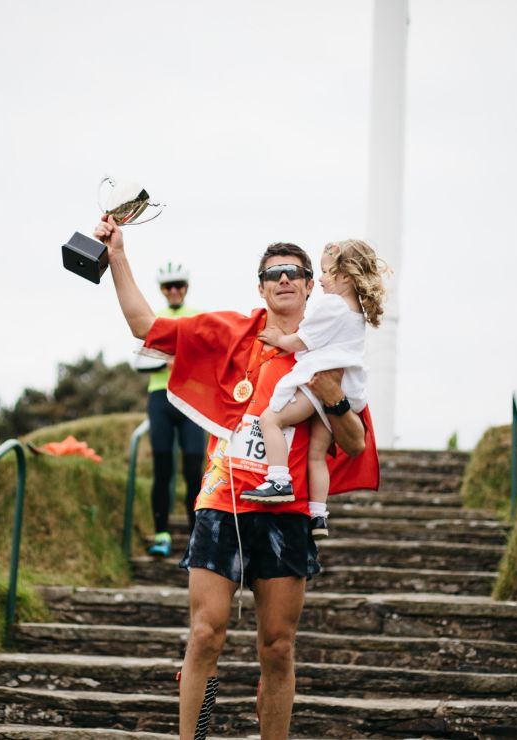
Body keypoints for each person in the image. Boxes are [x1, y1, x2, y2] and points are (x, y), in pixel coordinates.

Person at [94, 214, 377, 739]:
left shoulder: (331, 345)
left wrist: (331, 391)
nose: (284, 279)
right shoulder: (231, 331)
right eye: (273, 273)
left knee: (278, 646)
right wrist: (116, 255)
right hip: (223, 501)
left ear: (314, 285)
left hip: (287, 511)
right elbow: (144, 326)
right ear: (261, 285)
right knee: (205, 634)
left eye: (295, 271)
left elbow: (355, 441)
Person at [241, 239, 387, 538]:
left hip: (320, 381)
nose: (320, 279)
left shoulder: (332, 304)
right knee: (317, 454)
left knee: (271, 418)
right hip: (347, 384)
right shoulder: (356, 310)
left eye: (324, 271)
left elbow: (302, 340)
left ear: (344, 276)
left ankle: (278, 479)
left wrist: (278, 340)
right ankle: (319, 514)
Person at [142, 262, 205, 557]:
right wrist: (165, 361)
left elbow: (208, 356)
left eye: (179, 285)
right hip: (160, 397)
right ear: (161, 290)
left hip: (191, 398)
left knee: (194, 470)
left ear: (187, 287)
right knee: (162, 469)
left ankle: (196, 537)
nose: (175, 291)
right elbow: (139, 361)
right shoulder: (154, 317)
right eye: (168, 286)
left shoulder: (198, 316)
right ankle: (162, 534)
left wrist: (179, 359)